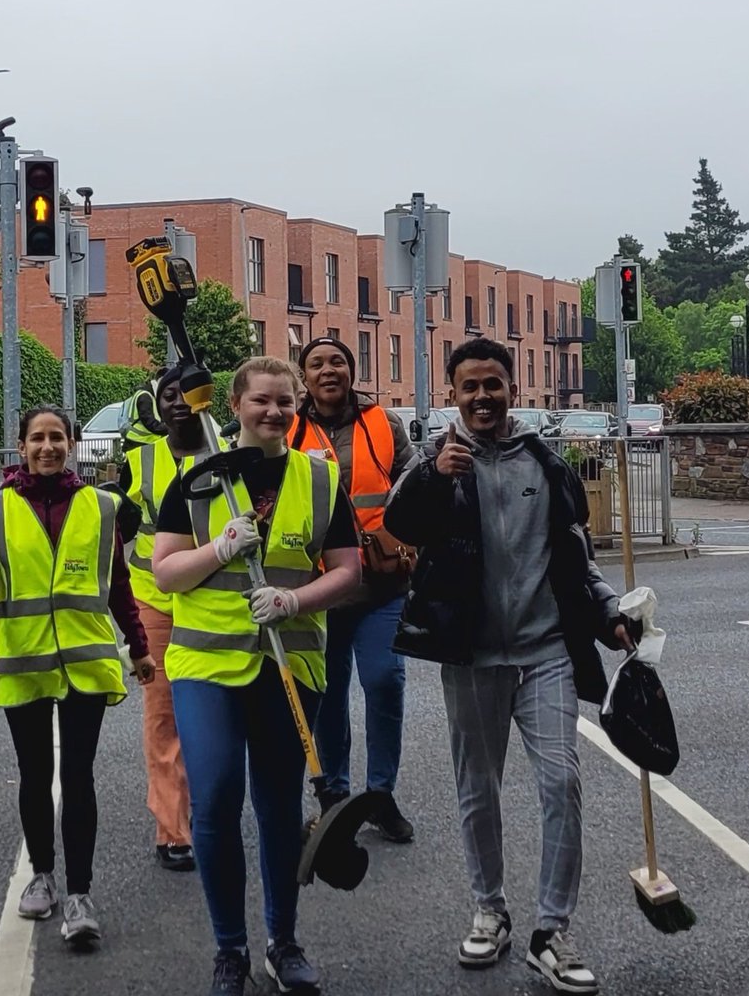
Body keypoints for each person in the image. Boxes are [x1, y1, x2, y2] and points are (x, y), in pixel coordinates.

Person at [384, 337, 633, 996]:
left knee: (561, 784)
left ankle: (552, 930)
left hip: (545, 650)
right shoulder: (438, 462)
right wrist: (437, 474)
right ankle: (489, 907)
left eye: (493, 384)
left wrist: (610, 612)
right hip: (470, 655)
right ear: (453, 395)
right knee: (477, 789)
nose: (483, 397)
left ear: (511, 388)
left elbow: (577, 556)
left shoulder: (546, 462)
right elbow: (400, 523)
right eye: (470, 387)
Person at [153, 356, 361, 996]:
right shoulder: (195, 482)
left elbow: (349, 572)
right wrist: (219, 548)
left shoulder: (321, 480)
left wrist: (295, 601)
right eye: (260, 401)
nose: (273, 413)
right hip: (206, 666)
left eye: (284, 403)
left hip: (288, 664)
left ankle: (283, 942)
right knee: (214, 798)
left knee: (276, 807)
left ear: (295, 408)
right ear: (236, 405)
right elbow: (165, 573)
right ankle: (229, 950)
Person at [0, 405, 155, 946]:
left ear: (71, 444)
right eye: (37, 438)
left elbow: (117, 584)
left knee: (80, 778)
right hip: (20, 661)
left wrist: (139, 648)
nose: (48, 447)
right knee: (34, 773)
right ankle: (42, 877)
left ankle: (80, 893)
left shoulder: (100, 508)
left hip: (87, 664)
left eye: (58, 437)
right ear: (21, 447)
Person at [291, 336, 416, 843]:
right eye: (317, 363)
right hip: (318, 589)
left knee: (385, 680)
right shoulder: (290, 428)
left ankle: (380, 796)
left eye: (337, 361)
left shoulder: (384, 424)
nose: (328, 370)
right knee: (326, 696)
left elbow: (410, 484)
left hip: (382, 583)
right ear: (304, 376)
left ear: (351, 370)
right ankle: (334, 800)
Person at [120, 362, 222, 871]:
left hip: (215, 602)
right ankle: (172, 830)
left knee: (219, 716)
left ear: (206, 399)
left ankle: (214, 812)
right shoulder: (140, 461)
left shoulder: (229, 455)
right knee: (163, 719)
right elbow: (115, 529)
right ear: (157, 405)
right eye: (168, 396)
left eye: (188, 393)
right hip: (155, 602)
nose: (178, 402)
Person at [122, 371, 169, 451]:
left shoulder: (149, 394)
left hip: (140, 443)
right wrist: (171, 429)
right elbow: (150, 424)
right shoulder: (145, 397)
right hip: (139, 443)